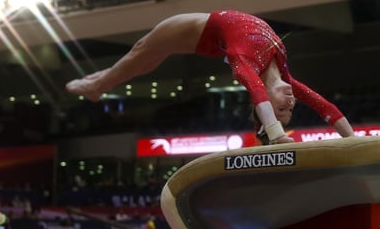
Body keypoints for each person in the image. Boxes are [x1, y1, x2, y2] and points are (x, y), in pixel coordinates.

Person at [66, 11, 354, 144]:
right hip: (204, 37)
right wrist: (352, 139)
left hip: (197, 30)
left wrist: (276, 133)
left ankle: (97, 84)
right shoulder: (288, 78)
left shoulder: (246, 67)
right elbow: (324, 106)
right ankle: (100, 82)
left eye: (282, 109)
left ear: (264, 105)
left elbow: (256, 91)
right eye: (290, 110)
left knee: (142, 53)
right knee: (145, 60)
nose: (291, 103)